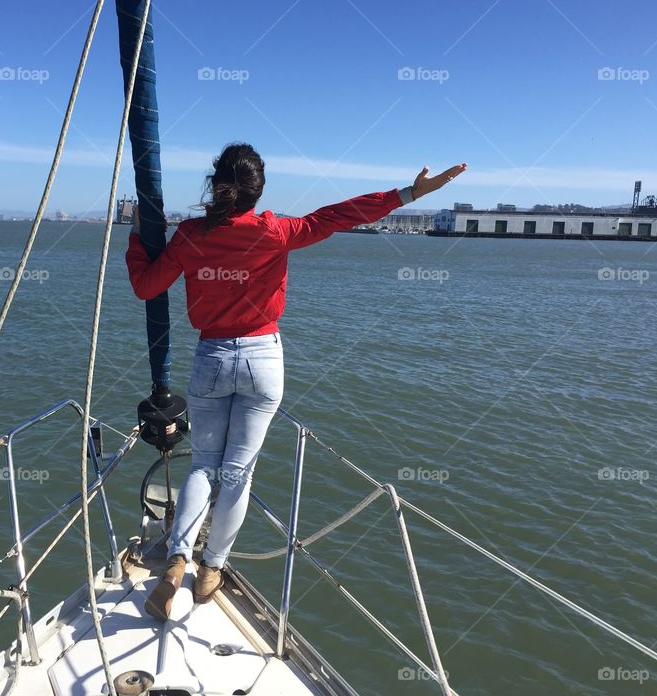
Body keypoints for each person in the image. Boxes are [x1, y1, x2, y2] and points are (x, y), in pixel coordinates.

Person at [126, 143, 466, 621]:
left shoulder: (189, 236)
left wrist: (138, 238)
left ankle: (178, 559)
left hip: (211, 358)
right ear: (257, 191)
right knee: (237, 473)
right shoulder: (276, 231)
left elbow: (146, 287)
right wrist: (409, 192)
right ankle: (212, 569)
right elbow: (340, 215)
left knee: (203, 465)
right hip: (264, 360)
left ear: (215, 184)